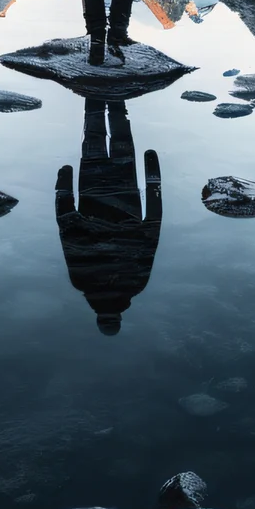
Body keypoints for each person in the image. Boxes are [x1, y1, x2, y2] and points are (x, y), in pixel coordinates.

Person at [56, 97, 162, 334]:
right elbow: (67, 229)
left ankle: (115, 92)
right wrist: (63, 194)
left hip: (125, 192)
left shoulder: (136, 282)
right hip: (92, 189)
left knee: (120, 133)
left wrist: (154, 185)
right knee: (94, 130)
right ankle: (95, 90)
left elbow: (153, 227)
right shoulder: (82, 281)